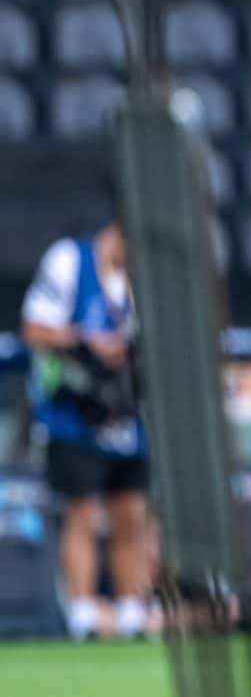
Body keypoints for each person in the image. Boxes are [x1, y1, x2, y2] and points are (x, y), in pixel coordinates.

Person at [20, 219, 150, 641]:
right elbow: (34, 329)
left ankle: (131, 611)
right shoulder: (69, 260)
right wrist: (87, 340)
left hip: (127, 413)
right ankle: (82, 611)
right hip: (74, 414)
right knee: (83, 512)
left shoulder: (144, 278)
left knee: (132, 511)